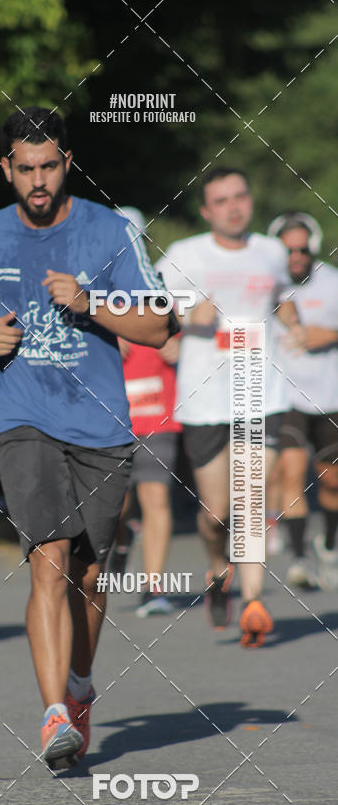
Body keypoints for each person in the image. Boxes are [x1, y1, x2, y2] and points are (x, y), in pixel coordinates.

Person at [0, 107, 174, 769]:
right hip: (24, 419)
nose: (38, 181)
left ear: (67, 162)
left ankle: (77, 686)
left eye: (49, 166)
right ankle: (52, 719)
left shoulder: (112, 231)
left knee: (90, 575)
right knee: (48, 555)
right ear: (7, 169)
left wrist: (91, 304)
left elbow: (160, 326)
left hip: (101, 423)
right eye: (25, 168)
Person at [156, 167, 306, 648]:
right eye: (222, 200)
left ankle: (254, 601)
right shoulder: (185, 255)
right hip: (205, 395)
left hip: (261, 392)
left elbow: (280, 298)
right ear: (206, 210)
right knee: (217, 512)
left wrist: (295, 325)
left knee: (251, 502)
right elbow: (157, 314)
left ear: (250, 200)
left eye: (240, 196)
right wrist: (183, 317)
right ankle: (217, 569)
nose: (234, 206)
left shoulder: (271, 251)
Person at [108, 207, 182, 618]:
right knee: (113, 507)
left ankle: (154, 588)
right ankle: (122, 539)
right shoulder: (92, 291)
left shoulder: (163, 285)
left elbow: (186, 334)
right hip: (109, 417)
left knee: (156, 498)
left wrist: (178, 344)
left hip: (157, 413)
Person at [268, 212, 338, 590]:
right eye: (288, 249)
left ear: (312, 246)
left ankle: (328, 546)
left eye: (301, 248)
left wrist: (327, 336)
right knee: (290, 474)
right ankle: (298, 559)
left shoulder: (332, 281)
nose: (295, 256)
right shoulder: (269, 284)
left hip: (330, 397)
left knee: (331, 482)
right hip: (287, 394)